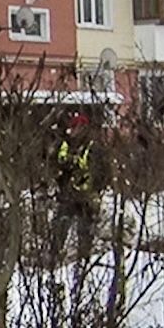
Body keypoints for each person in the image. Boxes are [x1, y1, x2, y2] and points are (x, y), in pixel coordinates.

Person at [50, 112, 100, 263]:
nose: (72, 131)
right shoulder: (65, 144)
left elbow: (99, 172)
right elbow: (55, 163)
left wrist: (86, 181)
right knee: (60, 227)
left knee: (85, 231)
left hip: (86, 197)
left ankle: (84, 261)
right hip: (67, 195)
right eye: (72, 127)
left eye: (76, 127)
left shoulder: (92, 147)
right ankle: (53, 258)